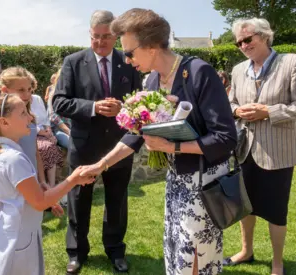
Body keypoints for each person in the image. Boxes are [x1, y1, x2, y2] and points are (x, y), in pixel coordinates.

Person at [79, 8, 237, 275]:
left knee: (196, 258)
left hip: (205, 184)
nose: (127, 60)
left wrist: (172, 147)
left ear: (151, 46)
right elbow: (136, 134)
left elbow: (225, 137)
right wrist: (100, 166)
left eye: (129, 53)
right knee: (176, 253)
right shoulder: (152, 80)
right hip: (177, 181)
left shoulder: (199, 72)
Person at [53, 10, 141, 274]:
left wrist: (122, 108)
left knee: (117, 201)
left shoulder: (129, 63)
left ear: (115, 36)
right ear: (89, 35)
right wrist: (93, 107)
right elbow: (59, 102)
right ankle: (77, 253)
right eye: (95, 37)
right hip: (84, 145)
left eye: (106, 37)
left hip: (119, 145)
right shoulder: (73, 62)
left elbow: (141, 101)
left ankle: (115, 250)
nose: (100, 42)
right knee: (79, 201)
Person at [227, 18, 296, 275]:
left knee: (276, 211)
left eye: (248, 39)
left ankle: (277, 263)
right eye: (239, 42)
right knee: (246, 206)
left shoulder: (292, 62)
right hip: (245, 151)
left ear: (265, 36)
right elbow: (230, 103)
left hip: (277, 153)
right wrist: (237, 110)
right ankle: (246, 251)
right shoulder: (238, 69)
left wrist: (268, 112)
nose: (243, 45)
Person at [0, 94, 94, 275]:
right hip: (19, 236)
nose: (30, 117)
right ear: (4, 123)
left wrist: (46, 197)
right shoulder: (13, 158)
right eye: (23, 113)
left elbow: (26, 193)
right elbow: (39, 202)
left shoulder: (5, 151)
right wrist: (73, 179)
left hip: (15, 229)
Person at [0, 67, 50, 191]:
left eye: (29, 89)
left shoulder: (30, 118)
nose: (27, 94)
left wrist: (42, 180)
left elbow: (35, 152)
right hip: (13, 182)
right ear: (5, 90)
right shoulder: (2, 121)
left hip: (32, 179)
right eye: (21, 90)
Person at [47, 69, 71, 149]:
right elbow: (53, 116)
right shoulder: (53, 94)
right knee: (74, 145)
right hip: (58, 129)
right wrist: (68, 131)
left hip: (73, 127)